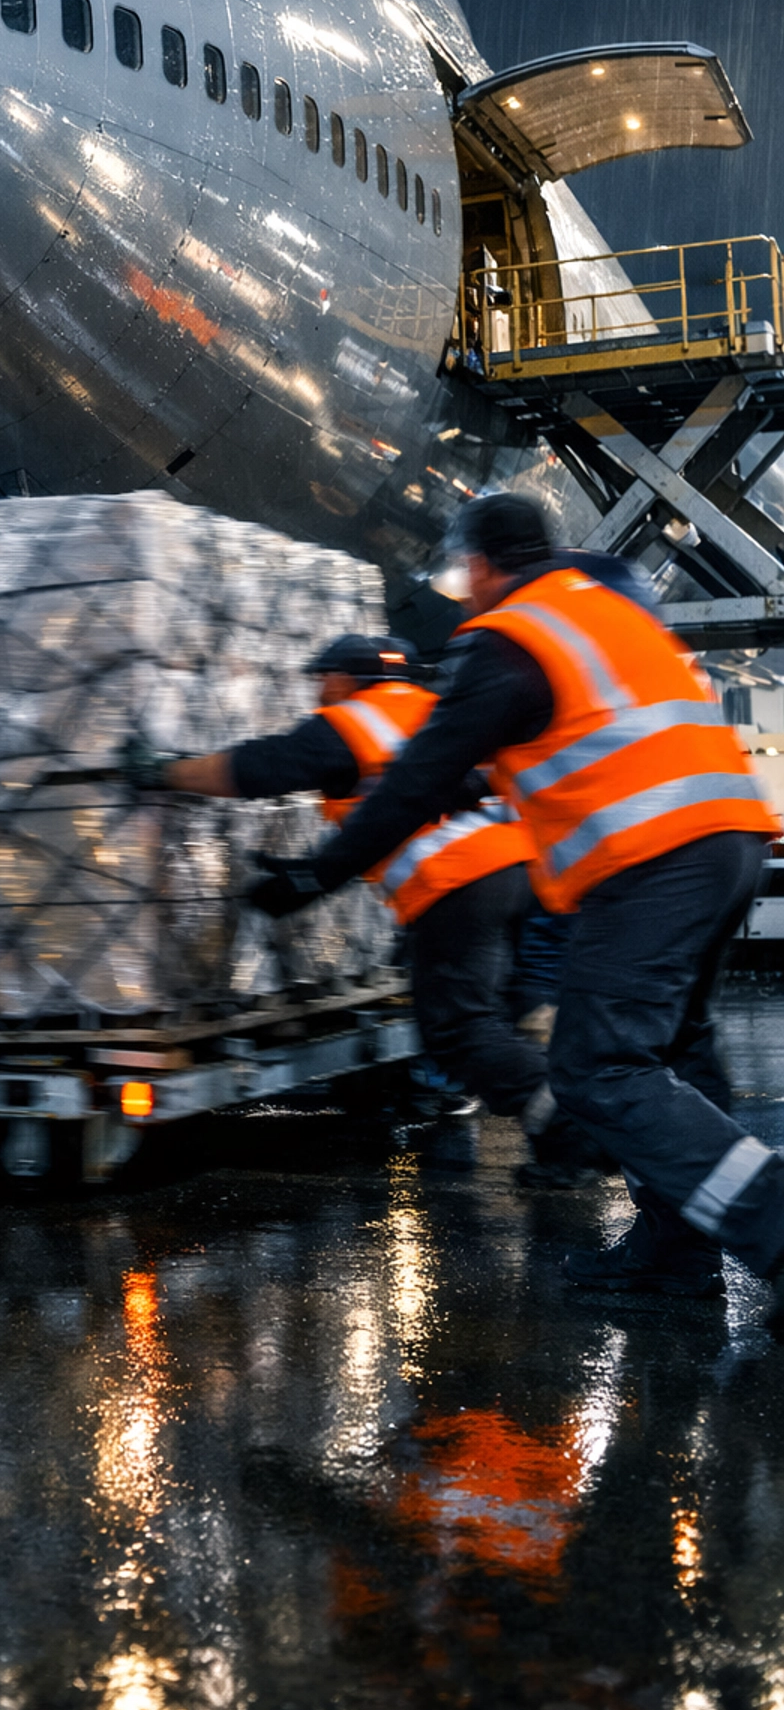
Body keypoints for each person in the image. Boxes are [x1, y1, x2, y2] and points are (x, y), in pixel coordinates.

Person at [249, 493, 784, 1317]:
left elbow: (415, 780)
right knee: (674, 1053)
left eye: (464, 573)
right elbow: (506, 760)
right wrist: (458, 787)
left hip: (651, 858)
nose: (463, 590)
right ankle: (677, 1252)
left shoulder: (511, 637)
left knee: (598, 1068)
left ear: (481, 564)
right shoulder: (600, 609)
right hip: (728, 837)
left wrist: (315, 876)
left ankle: (773, 1228)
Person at [138, 633, 570, 1172]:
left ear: (346, 678)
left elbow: (259, 768)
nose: (318, 689)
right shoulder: (431, 706)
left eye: (323, 677)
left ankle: (570, 1125)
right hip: (524, 868)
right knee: (519, 1005)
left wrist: (163, 772)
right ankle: (561, 1143)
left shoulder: (352, 722)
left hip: (459, 879)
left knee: (458, 1028)